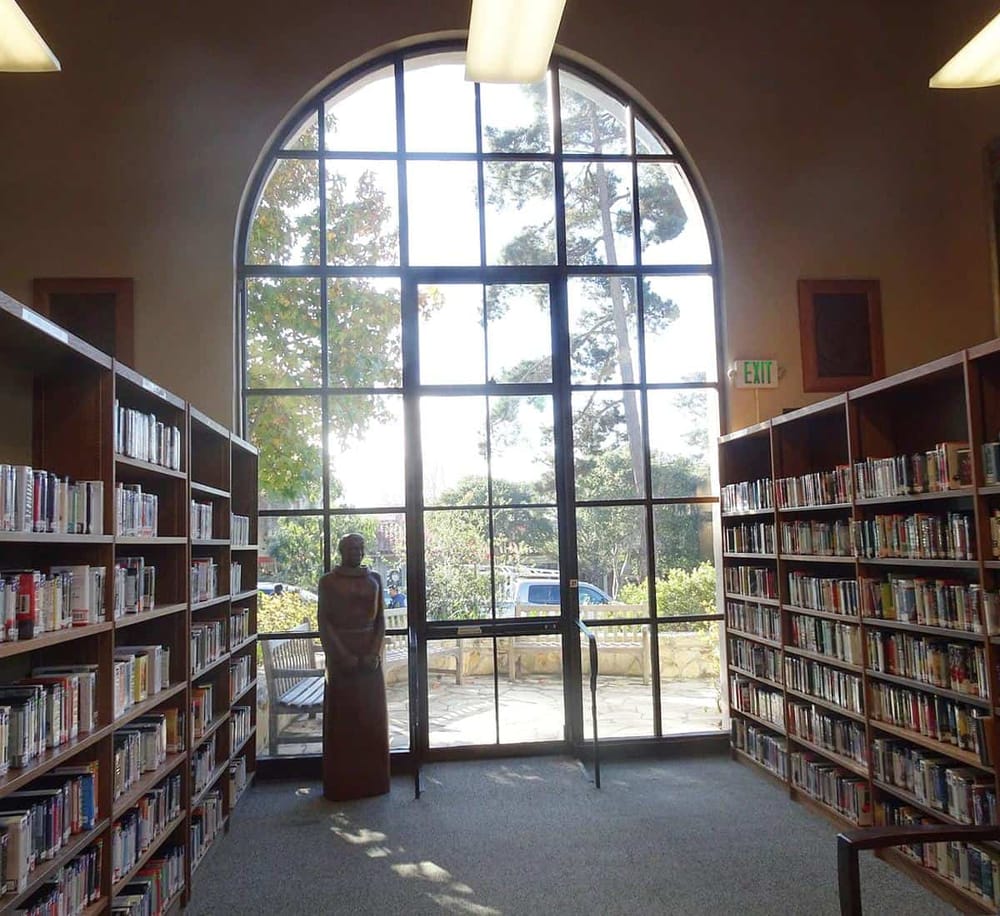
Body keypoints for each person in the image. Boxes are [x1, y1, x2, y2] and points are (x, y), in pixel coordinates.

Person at [316, 532, 390, 801]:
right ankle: (343, 783)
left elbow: (381, 620)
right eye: (350, 547)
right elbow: (324, 623)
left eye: (360, 547)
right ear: (341, 550)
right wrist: (342, 656)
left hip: (370, 659)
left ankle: (375, 779)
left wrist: (374, 651)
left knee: (372, 718)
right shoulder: (328, 582)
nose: (356, 551)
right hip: (341, 661)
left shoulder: (375, 580)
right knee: (343, 722)